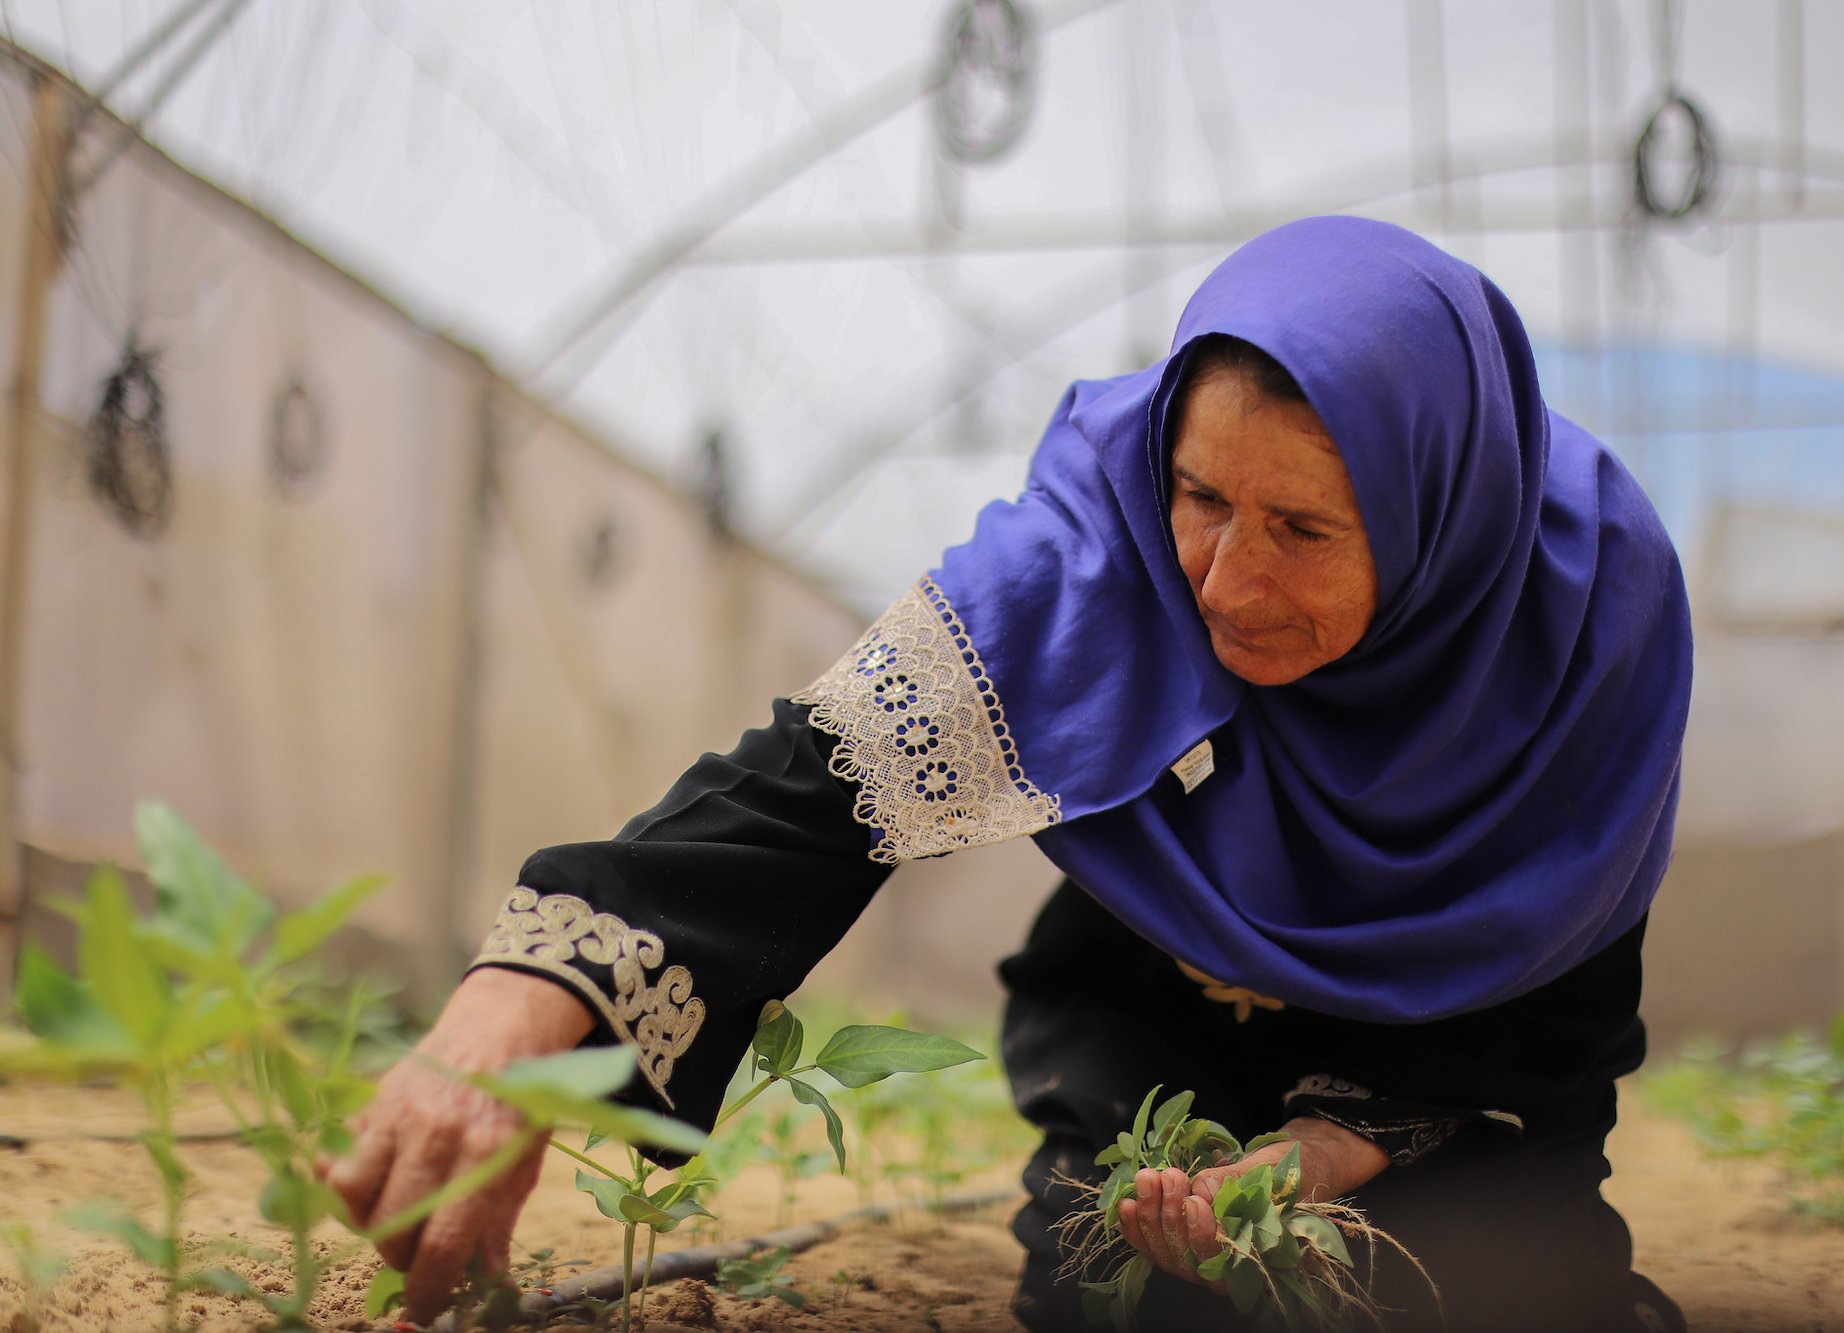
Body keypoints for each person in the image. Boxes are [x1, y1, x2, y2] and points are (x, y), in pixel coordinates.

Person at [324, 217, 1693, 1331]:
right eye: (1203, 497)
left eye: (1302, 527)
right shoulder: (1096, 549)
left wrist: (1330, 1147)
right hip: (1172, 1017)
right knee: (1140, 1287)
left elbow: (1561, 947)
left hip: (1466, 1074)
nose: (1222, 579)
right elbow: (815, 789)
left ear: (1437, 514)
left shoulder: (1584, 624)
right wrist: (531, 993)